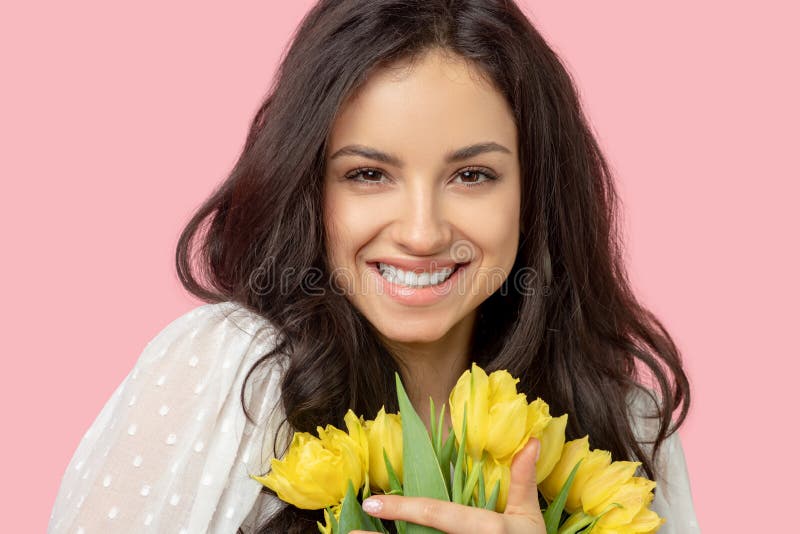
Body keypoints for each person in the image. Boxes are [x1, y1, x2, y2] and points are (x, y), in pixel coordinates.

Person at [48, 1, 701, 532]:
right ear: (311, 189)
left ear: (535, 195)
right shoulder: (232, 380)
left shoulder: (621, 428)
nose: (421, 232)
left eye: (473, 175)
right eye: (368, 174)